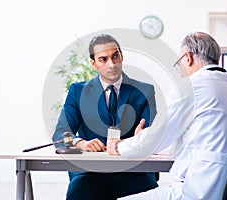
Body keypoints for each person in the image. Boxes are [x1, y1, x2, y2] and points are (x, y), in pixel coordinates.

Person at [107, 31, 227, 199]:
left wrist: (118, 146)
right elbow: (191, 140)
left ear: (188, 58)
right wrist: (148, 139)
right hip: (224, 190)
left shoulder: (194, 86)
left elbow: (156, 136)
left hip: (196, 192)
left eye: (179, 63)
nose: (180, 70)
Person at [52, 34, 158, 200]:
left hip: (134, 172)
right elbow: (60, 133)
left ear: (122, 56)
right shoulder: (77, 92)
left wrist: (143, 138)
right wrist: (82, 143)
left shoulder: (145, 91)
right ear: (93, 63)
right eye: (103, 59)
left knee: (150, 192)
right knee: (78, 191)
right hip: (90, 173)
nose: (112, 64)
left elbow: (153, 134)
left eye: (115, 56)